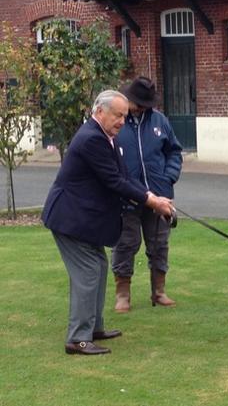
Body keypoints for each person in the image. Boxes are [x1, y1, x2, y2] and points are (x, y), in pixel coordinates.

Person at [42, 90, 173, 355]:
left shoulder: (105, 137)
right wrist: (152, 201)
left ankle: (94, 328)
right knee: (88, 273)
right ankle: (78, 339)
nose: (122, 121)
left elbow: (123, 175)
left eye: (124, 116)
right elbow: (115, 182)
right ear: (100, 112)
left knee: (99, 267)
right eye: (117, 115)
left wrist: (153, 195)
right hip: (70, 219)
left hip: (81, 219)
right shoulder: (92, 138)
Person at [111, 76, 183, 312]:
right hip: (126, 196)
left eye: (145, 104)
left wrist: (168, 177)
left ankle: (159, 292)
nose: (141, 107)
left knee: (159, 244)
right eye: (138, 103)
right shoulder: (117, 122)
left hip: (159, 196)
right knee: (126, 243)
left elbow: (174, 152)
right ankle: (123, 295)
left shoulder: (160, 121)